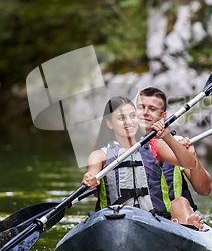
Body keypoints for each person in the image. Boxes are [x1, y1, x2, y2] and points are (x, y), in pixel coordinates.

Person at [81, 96, 202, 228]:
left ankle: (182, 224)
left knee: (182, 202)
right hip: (115, 222)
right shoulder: (99, 155)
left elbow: (190, 163)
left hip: (156, 221)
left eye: (133, 116)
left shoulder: (155, 146)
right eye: (121, 118)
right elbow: (91, 175)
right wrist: (90, 180)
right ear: (109, 124)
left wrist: (167, 136)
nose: (129, 122)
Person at [136, 87, 211, 216]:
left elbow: (204, 190)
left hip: (174, 215)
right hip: (138, 214)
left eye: (152, 109)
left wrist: (193, 156)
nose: (145, 112)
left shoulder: (177, 143)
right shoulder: (121, 146)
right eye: (141, 107)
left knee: (181, 203)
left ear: (163, 116)